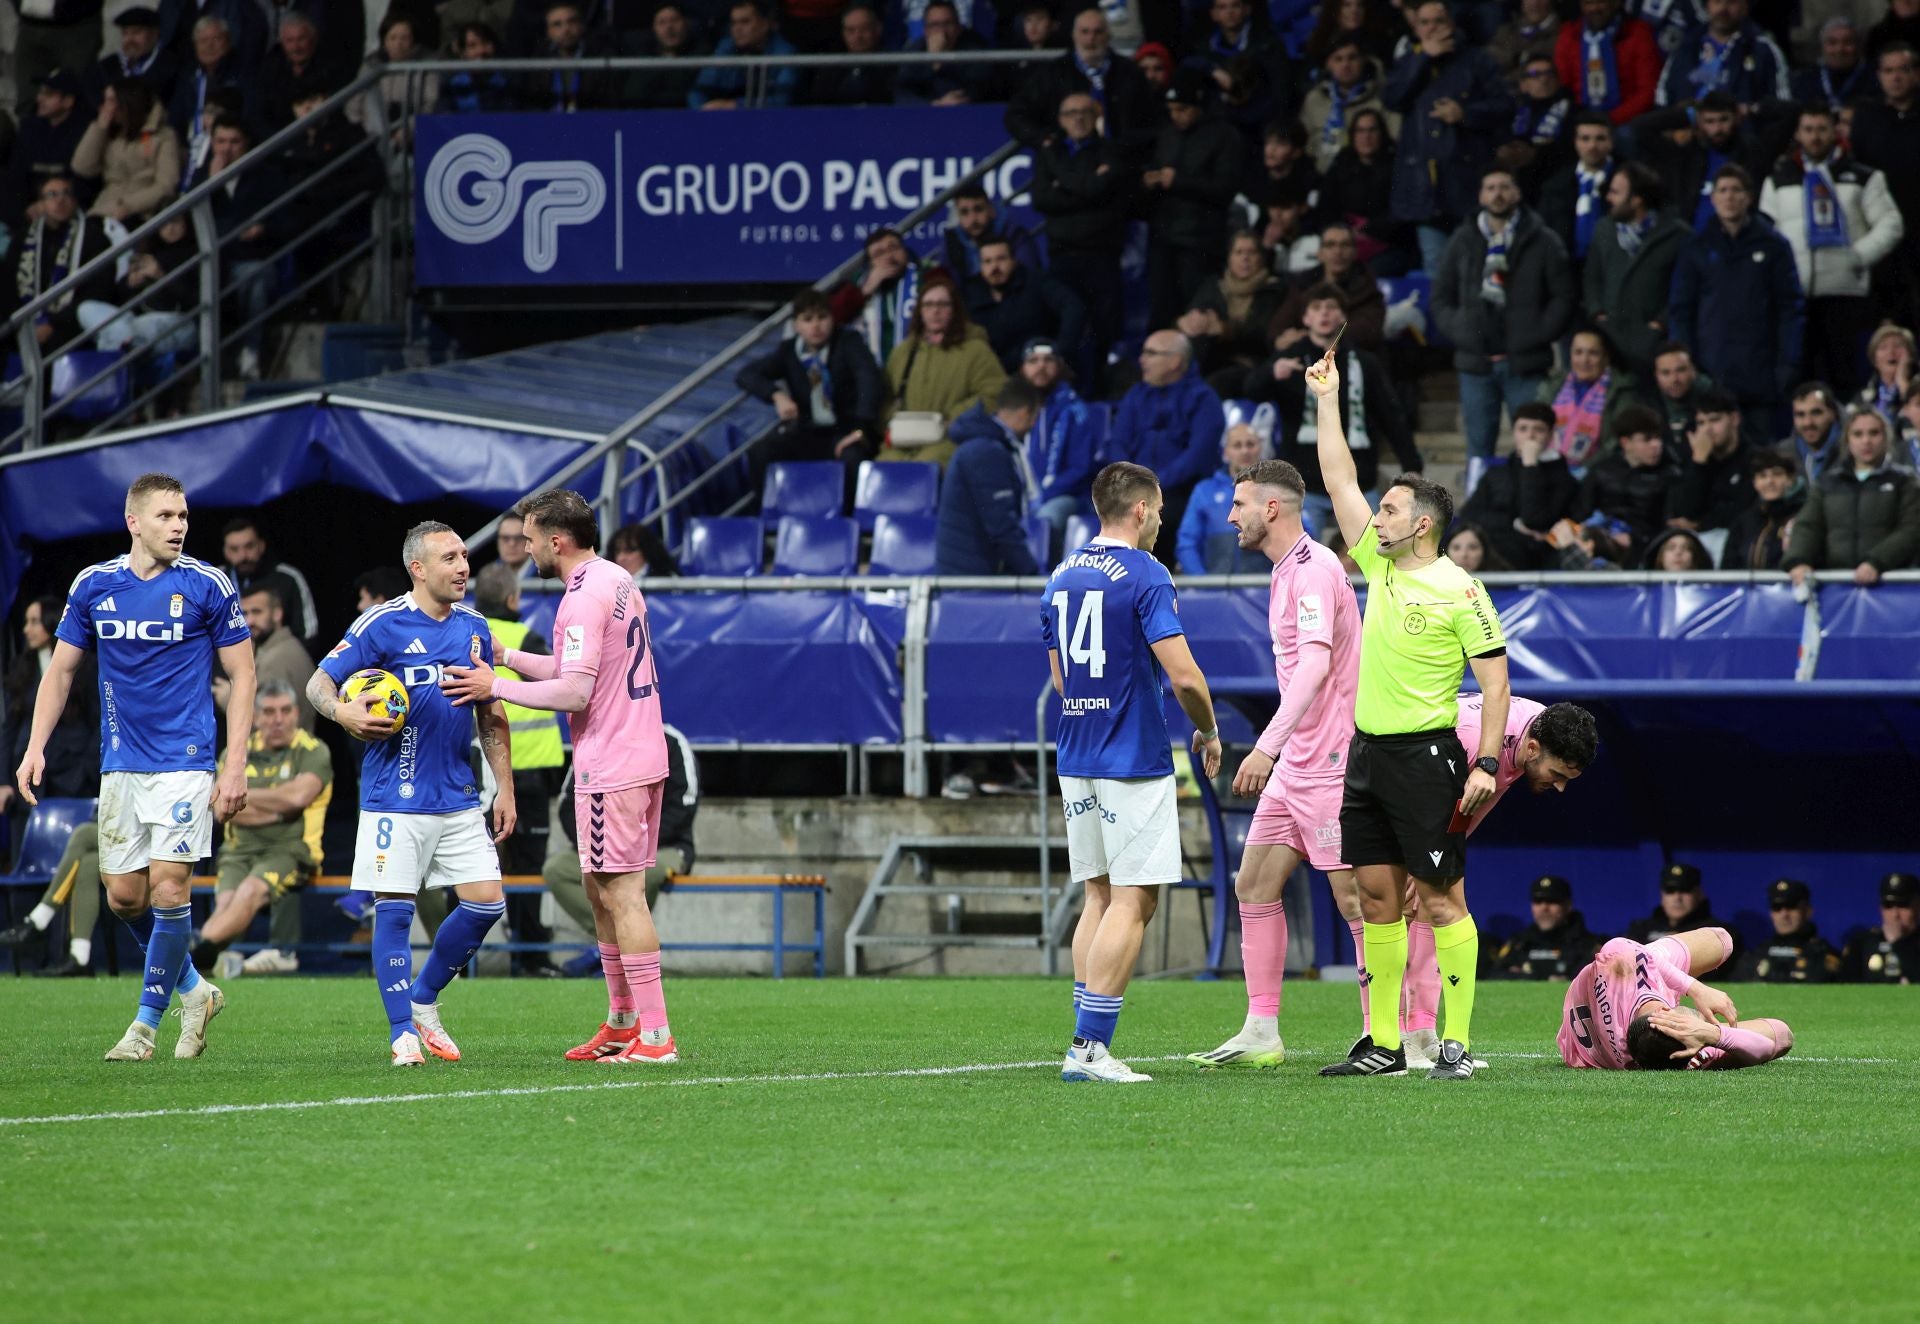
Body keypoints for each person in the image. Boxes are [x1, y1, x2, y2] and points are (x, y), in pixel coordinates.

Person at [1306, 352, 1513, 1080]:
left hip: (1428, 758)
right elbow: (1336, 478)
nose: (1377, 515)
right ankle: (1387, 1045)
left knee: (1441, 897)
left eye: (1389, 508)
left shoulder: (1463, 590)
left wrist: (1486, 762)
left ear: (1421, 524)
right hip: (1367, 756)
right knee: (1375, 898)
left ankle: (1453, 1042)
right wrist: (1327, 401)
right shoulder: (1380, 567)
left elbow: (1495, 686)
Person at [14, 472, 252, 1061]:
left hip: (186, 760)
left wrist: (235, 764)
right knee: (123, 897)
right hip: (122, 762)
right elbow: (62, 671)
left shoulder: (207, 584)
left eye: (183, 517)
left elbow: (243, 674)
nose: (178, 527)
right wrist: (35, 746)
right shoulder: (95, 585)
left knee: (170, 889)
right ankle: (194, 990)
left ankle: (144, 1027)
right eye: (167, 516)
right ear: (134, 522)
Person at [440, 489, 677, 1066]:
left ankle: (655, 1036)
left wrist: (492, 686)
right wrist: (508, 657)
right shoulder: (615, 579)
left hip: (612, 762)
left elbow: (576, 691)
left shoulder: (581, 597)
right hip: (639, 752)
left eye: (529, 538)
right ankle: (623, 1022)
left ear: (557, 540)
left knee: (621, 895)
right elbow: (578, 669)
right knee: (601, 891)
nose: (525, 548)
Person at [307, 520, 516, 1067]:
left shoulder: (474, 627)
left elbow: (492, 713)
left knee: (486, 903)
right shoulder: (382, 624)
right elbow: (318, 684)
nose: (463, 567)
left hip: (459, 795)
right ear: (418, 568)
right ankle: (402, 1034)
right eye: (449, 558)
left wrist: (505, 789)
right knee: (394, 911)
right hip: (393, 797)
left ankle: (422, 1000)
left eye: (465, 556)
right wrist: (343, 712)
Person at [1045, 461, 1224, 1082]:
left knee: (1097, 894)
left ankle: (1080, 1039)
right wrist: (1208, 727)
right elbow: (1183, 675)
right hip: (1131, 755)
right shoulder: (1147, 574)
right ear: (1142, 510)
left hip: (1077, 752)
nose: (1158, 526)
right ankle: (1091, 1049)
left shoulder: (1060, 575)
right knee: (1134, 898)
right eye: (1159, 514)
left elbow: (1061, 676)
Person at [1187, 458, 1361, 1069]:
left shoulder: (1313, 572)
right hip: (1298, 765)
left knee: (1357, 901)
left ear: (1271, 509)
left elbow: (1315, 667)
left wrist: (1266, 746)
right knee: (1253, 884)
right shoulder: (1287, 571)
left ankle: (1387, 1036)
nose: (1228, 515)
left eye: (1238, 505)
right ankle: (1261, 1030)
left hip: (1330, 761)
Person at [1381, 693, 1595, 1059]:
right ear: (1531, 749)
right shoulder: (1470, 739)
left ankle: (1419, 1033)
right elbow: (1408, 797)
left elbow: (1476, 803)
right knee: (1389, 906)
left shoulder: (1541, 727)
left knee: (1433, 903)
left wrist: (1439, 859)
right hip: (1390, 778)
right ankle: (1388, 1037)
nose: (1560, 787)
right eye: (1557, 775)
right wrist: (1411, 862)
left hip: (1430, 788)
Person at [1431, 166, 1576, 492]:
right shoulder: (1464, 239)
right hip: (1476, 364)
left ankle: (1532, 506)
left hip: (1525, 364)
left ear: (1517, 193)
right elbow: (1440, 295)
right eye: (1490, 187)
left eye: (1504, 187)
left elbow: (1564, 296)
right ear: (1481, 196)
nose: (1497, 193)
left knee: (1535, 444)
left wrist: (1537, 333)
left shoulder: (1544, 239)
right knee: (1478, 450)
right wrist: (1462, 330)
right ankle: (1476, 517)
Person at [1248, 283, 1420, 538]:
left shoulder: (1365, 363)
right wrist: (1271, 374)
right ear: (1306, 318)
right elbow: (1250, 390)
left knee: (1376, 555)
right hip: (1303, 486)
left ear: (1342, 316)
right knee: (1301, 563)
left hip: (1359, 484)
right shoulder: (1290, 358)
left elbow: (1391, 416)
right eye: (1316, 308)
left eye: (1331, 307)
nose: (1324, 314)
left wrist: (1411, 464)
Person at [187, 680, 332, 977]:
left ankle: (193, 957)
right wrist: (279, 810)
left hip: (291, 849)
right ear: (256, 716)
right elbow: (224, 810)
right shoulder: (237, 753)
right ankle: (206, 962)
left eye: (284, 711)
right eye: (268, 712)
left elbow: (297, 797)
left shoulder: (313, 750)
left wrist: (245, 795)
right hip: (238, 849)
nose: (277, 719)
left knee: (249, 891)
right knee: (226, 902)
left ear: (295, 713)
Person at [1758, 105, 1905, 397]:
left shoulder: (1864, 176)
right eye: (1808, 130)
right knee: (1799, 381)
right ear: (1798, 134)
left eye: (1822, 129)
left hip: (1846, 295)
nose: (1815, 137)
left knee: (1846, 378)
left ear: (1835, 131)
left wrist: (1858, 257)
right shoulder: (1778, 177)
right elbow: (1766, 231)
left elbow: (1891, 224)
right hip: (1796, 297)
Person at [470, 561, 566, 976]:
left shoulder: (467, 639)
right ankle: (529, 958)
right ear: (513, 599)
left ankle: (463, 962)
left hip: (481, 773)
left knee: (472, 867)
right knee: (528, 871)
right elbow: (557, 690)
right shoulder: (527, 640)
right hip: (527, 776)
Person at [1669, 165, 1803, 447]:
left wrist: (1786, 365)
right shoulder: (1696, 246)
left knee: (1763, 457)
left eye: (1736, 190)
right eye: (1723, 191)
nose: (1729, 197)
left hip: (1761, 377)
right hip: (1711, 374)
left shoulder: (1774, 245)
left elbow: (1790, 308)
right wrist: (1688, 364)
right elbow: (1681, 309)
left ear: (1749, 197)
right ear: (1713, 198)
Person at [1382, 0, 1514, 276]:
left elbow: (1505, 105)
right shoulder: (1409, 61)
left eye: (1439, 21)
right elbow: (1391, 99)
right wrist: (1422, 59)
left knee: (1478, 268)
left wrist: (1465, 113)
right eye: (1425, 23)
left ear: (1452, 24)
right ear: (1416, 29)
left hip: (1468, 184)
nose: (1432, 28)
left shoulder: (1477, 60)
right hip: (1426, 190)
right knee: (1437, 270)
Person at [543, 725, 697, 939]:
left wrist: (633, 842)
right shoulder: (593, 742)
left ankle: (623, 943)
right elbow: (568, 804)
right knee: (556, 869)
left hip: (663, 847)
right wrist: (599, 843)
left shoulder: (670, 741)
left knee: (643, 873)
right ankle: (620, 938)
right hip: (603, 846)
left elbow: (684, 805)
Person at [1558, 929, 1790, 1070]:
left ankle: (1654, 959)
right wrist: (1714, 1035)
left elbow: (1618, 945)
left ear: (1665, 1013)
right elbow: (1782, 1035)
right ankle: (1653, 959)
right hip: (1589, 1044)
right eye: (1697, 1028)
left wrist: (1696, 988)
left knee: (1721, 941)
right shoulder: (1687, 1055)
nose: (1703, 1023)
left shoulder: (1620, 971)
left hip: (1599, 995)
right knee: (1717, 940)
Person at [0, 595, 98, 901]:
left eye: (33, 621)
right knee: (24, 868)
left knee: (70, 870)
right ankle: (27, 942)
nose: (27, 629)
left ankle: (69, 945)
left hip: (72, 780)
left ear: (52, 622)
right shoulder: (21, 668)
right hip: (28, 779)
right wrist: (4, 780)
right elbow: (9, 730)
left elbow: (99, 722)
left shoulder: (85, 665)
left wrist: (84, 770)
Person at [736, 287, 887, 475]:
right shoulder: (789, 351)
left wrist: (860, 429)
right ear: (796, 325)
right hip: (807, 432)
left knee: (852, 459)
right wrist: (776, 395)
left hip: (846, 429)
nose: (816, 326)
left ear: (833, 319)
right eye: (807, 319)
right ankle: (771, 505)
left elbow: (869, 379)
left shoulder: (849, 342)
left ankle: (847, 506)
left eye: (822, 317)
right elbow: (746, 374)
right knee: (760, 453)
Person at [1108, 331, 1227, 563]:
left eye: (1151, 353)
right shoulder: (1135, 396)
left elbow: (1197, 456)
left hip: (1181, 493)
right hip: (1134, 491)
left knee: (1160, 520)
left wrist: (1153, 486)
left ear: (1175, 361)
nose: (1142, 360)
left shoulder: (1204, 399)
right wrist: (1130, 483)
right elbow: (1118, 443)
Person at [1142, 68, 1244, 333]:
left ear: (1199, 104)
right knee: (1162, 310)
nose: (1176, 115)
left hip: (1200, 242)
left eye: (1182, 109)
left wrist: (1179, 181)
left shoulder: (1224, 136)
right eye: (1172, 109)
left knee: (1196, 313)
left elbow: (1225, 188)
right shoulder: (1166, 134)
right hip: (1163, 239)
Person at [1782, 406, 1920, 586]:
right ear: (1848, 440)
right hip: (1836, 586)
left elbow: (1912, 529)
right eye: (1858, 434)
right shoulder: (1828, 482)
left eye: (1874, 433)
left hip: (1890, 586)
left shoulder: (1904, 481)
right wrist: (1798, 561)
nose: (1866, 441)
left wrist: (1876, 562)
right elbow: (1808, 525)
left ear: (1886, 438)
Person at [1002, 9, 1158, 164]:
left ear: (1108, 36)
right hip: (1068, 167)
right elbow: (1016, 115)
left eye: (1098, 32)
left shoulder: (1129, 72)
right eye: (1085, 32)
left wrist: (1128, 147)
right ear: (1073, 35)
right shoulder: (1053, 72)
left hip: (1122, 165)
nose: (1091, 39)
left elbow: (1150, 120)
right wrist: (1044, 140)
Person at [882, 273, 1005, 468]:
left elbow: (994, 393)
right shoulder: (902, 352)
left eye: (942, 304)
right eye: (928, 305)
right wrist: (889, 421)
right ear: (920, 311)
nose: (935, 311)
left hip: (950, 440)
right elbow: (885, 397)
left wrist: (952, 418)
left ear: (954, 309)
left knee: (927, 467)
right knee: (883, 470)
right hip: (901, 441)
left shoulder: (975, 350)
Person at [1583, 162, 1689, 383]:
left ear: (1637, 199)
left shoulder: (1677, 235)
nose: (1608, 198)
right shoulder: (1604, 229)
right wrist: (1598, 314)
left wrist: (1660, 324)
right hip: (1610, 341)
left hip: (1653, 346)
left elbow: (1686, 288)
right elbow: (1591, 277)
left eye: (1615, 192)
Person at [935, 378, 1044, 575]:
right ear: (1024, 413)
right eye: (1035, 416)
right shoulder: (987, 452)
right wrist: (1030, 573)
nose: (1034, 424)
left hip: (967, 571)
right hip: (969, 578)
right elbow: (1000, 523)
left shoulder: (984, 446)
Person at [13, 173, 126, 361]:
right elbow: (10, 285)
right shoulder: (25, 238)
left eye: (66, 194)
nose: (60, 201)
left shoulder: (93, 237)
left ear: (74, 200)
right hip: (26, 324)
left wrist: (53, 324)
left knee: (58, 344)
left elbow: (98, 291)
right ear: (40, 203)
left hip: (71, 325)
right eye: (52, 195)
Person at [1458, 403, 1578, 568]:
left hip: (1543, 556)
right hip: (1497, 553)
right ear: (1514, 433)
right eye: (1523, 429)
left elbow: (1534, 520)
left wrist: (1530, 465)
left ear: (1550, 435)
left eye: (1539, 430)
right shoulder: (1496, 474)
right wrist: (1514, 524)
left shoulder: (1564, 479)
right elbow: (1469, 515)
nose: (1530, 435)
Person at [1177, 229, 1286, 390]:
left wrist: (1225, 330)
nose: (1245, 258)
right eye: (1239, 252)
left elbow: (1265, 335)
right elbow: (1195, 315)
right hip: (1210, 355)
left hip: (1249, 362)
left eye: (1252, 252)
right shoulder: (1214, 285)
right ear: (1229, 258)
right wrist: (1183, 322)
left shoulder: (1274, 290)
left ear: (1261, 258)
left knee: (1213, 384)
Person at [964, 237, 1087, 373]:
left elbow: (1072, 306)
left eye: (1001, 259)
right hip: (998, 375)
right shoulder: (971, 294)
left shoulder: (1036, 282)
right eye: (987, 261)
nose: (995, 267)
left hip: (1042, 370)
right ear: (980, 266)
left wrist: (1062, 351)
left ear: (1014, 260)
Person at [70, 78, 181, 226]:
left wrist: (128, 206)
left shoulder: (163, 136)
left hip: (142, 213)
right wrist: (100, 127)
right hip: (104, 210)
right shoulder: (110, 135)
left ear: (128, 102)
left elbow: (166, 185)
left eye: (111, 101)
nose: (106, 107)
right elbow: (82, 167)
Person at [0, 820, 103, 976]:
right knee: (89, 864)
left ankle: (39, 920)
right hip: (128, 832)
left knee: (84, 834)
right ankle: (79, 958)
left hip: (146, 835)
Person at [1020, 339, 1100, 538]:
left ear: (1059, 366)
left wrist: (1043, 496)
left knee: (1046, 517)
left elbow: (1079, 469)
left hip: (1066, 497)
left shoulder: (1075, 410)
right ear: (1022, 368)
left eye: (1048, 360)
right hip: (1022, 495)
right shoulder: (1015, 408)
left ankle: (1044, 569)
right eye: (1033, 361)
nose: (1041, 366)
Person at [1269, 221, 1386, 353]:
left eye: (1345, 245)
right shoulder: (1303, 285)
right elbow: (1278, 327)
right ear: (1320, 253)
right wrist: (1280, 339)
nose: (1338, 252)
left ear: (1355, 252)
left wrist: (1313, 337)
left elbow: (1365, 331)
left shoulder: (1367, 287)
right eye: (1330, 245)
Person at [828, 227, 939, 367]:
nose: (888, 257)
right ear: (870, 263)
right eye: (879, 253)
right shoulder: (858, 283)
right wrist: (865, 290)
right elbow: (832, 318)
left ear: (905, 251)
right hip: (873, 373)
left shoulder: (927, 276)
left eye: (893, 248)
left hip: (921, 367)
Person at [1655, 0, 1791, 110]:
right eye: (1717, 1)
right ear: (1707, 5)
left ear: (1745, 6)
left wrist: (1751, 111)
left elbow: (1783, 104)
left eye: (1731, 2)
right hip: (1688, 137)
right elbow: (1663, 95)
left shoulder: (1763, 49)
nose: (1723, 9)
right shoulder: (1686, 47)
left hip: (1743, 139)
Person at [218, 584, 315, 730]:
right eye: (244, 613)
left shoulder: (276, 660)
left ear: (277, 614)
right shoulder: (289, 647)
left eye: (257, 612)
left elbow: (269, 725)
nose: (249, 621)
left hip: (282, 751)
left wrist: (228, 699)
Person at [1317, 107, 1403, 271]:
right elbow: (1326, 207)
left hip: (1387, 243)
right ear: (1353, 136)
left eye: (1372, 130)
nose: (1366, 137)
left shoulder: (1396, 165)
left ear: (1381, 134)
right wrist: (1345, 233)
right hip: (1345, 239)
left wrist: (1369, 228)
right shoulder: (1341, 163)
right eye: (1360, 131)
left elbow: (1400, 211)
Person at [1175, 421, 1266, 573]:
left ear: (1260, 448)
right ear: (1225, 452)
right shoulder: (1204, 491)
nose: (1245, 451)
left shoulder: (1274, 488)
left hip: (1265, 591)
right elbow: (1187, 544)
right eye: (1237, 445)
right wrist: (1204, 586)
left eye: (1250, 444)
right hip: (1214, 592)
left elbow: (1300, 534)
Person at [1553, 0, 1660, 127]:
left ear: (1616, 3)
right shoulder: (1570, 35)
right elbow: (1561, 86)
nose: (1594, 8)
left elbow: (1648, 90)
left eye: (1601, 2)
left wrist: (1613, 118)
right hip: (1580, 117)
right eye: (1588, 3)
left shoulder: (1638, 33)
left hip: (1627, 119)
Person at [1539, 330, 1635, 468]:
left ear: (1605, 358)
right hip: (1551, 467)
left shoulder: (1620, 391)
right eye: (1578, 352)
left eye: (1593, 353)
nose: (1584, 360)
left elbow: (1616, 442)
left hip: (1597, 472)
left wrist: (1585, 469)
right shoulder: (1554, 386)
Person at [7, 71, 89, 229]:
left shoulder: (83, 130)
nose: (39, 99)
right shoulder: (30, 127)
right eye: (40, 93)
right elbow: (16, 174)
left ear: (68, 101)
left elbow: (80, 179)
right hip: (28, 206)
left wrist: (47, 203)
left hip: (66, 205)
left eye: (49, 94)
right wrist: (26, 208)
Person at [220, 516, 318, 650]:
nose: (243, 556)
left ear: (261, 545)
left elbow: (308, 633)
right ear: (225, 552)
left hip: (278, 662)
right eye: (234, 549)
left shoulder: (287, 578)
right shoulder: (215, 580)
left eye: (249, 546)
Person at [1624, 862, 1743, 971]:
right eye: (1670, 890)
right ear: (1662, 894)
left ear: (1699, 893)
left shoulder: (1718, 933)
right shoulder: (1640, 930)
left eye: (1685, 890)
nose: (1677, 897)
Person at [1301, 37, 1396, 173]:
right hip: (1323, 179)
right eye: (1338, 59)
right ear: (1328, 64)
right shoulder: (1314, 100)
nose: (1345, 65)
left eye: (1352, 58)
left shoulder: (1381, 97)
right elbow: (1305, 144)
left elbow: (1393, 140)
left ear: (1362, 61)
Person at [1537, 111, 1617, 267]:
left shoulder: (1629, 180)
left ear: (1611, 141)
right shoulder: (1555, 185)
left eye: (1600, 138)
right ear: (1575, 142)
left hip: (1614, 267)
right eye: (1585, 139)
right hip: (1569, 269)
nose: (1592, 146)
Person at [688, 0, 801, 110]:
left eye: (745, 22)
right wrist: (701, 110)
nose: (737, 29)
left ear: (765, 24)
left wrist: (736, 105)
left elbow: (782, 101)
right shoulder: (726, 48)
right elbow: (698, 91)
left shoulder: (785, 53)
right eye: (733, 23)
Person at [1491, 875, 1603, 980]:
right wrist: (1533, 978)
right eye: (1538, 901)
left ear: (1568, 905)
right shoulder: (1519, 943)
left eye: (1552, 901)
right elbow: (1492, 976)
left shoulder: (1589, 946)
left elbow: (1595, 983)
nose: (1544, 907)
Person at [897, 0, 999, 106]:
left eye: (947, 24)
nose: (942, 32)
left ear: (959, 27)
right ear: (926, 30)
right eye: (935, 25)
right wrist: (934, 103)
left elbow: (975, 90)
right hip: (926, 115)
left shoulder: (975, 48)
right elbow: (903, 94)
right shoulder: (915, 51)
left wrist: (941, 63)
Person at [1741, 878, 1841, 983]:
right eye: (1777, 907)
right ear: (1771, 914)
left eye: (1792, 906)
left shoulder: (1823, 956)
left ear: (1808, 911)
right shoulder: (1756, 954)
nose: (1784, 914)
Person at [84, 7, 181, 114]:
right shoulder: (106, 67)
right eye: (125, 33)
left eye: (136, 32)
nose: (130, 40)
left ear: (154, 34)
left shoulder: (170, 66)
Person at [1720, 450, 1802, 568]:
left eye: (1777, 474)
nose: (1770, 481)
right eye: (1762, 476)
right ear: (1755, 483)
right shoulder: (1743, 522)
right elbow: (1727, 566)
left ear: (1790, 479)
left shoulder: (1803, 515)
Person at [940, 181, 1033, 281]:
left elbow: (1029, 278)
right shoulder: (952, 240)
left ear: (991, 210)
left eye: (978, 209)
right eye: (964, 212)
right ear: (958, 216)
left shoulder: (1014, 233)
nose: (973, 219)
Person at [1645, 340, 1716, 465]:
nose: (1674, 379)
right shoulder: (1647, 404)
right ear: (1656, 376)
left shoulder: (1715, 400)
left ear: (1693, 371)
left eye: (1681, 370)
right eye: (1666, 373)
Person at [1840, 871, 1918, 983]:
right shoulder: (1863, 944)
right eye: (1888, 905)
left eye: (1903, 905)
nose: (1895, 914)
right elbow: (1843, 987)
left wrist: (1898, 943)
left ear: (1917, 905)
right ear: (1881, 908)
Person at [809, 3, 893, 106]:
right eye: (851, 30)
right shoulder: (830, 69)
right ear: (843, 33)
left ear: (878, 29)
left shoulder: (893, 65)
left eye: (864, 29)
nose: (858, 36)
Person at [1792, 17, 1873, 109]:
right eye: (1832, 42)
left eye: (1847, 42)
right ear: (1822, 47)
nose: (1839, 49)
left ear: (1858, 45)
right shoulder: (1805, 79)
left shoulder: (1874, 77)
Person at [436, 22, 518, 111]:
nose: (481, 51)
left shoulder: (507, 82)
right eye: (472, 46)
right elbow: (443, 119)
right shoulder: (452, 85)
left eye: (486, 43)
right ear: (463, 53)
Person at [1859, 325, 1917, 420]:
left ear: (1910, 355)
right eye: (1883, 347)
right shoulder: (1864, 395)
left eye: (1898, 346)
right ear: (1874, 360)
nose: (1891, 352)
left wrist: (1902, 381)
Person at [607, 524, 679, 579]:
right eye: (617, 552)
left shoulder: (668, 581)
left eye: (629, 551)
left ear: (647, 551)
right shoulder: (606, 583)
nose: (621, 558)